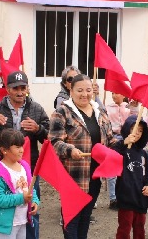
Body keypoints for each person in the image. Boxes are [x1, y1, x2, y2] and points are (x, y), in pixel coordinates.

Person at [0, 70, 48, 239]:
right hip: (4, 168)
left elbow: (50, 137)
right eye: (15, 88)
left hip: (28, 167)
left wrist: (38, 129)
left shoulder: (36, 109)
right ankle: (5, 230)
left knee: (31, 205)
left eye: (23, 87)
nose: (20, 92)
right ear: (7, 89)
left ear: (27, 88)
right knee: (7, 202)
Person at [48, 74, 117, 238]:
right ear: (71, 90)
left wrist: (123, 144)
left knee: (86, 218)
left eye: (88, 90)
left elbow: (110, 138)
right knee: (71, 221)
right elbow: (54, 141)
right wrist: (70, 150)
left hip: (94, 176)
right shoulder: (62, 112)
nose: (84, 94)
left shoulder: (99, 111)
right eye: (79, 90)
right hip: (73, 177)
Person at [0, 129, 39, 239]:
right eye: (17, 147)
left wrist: (34, 201)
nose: (21, 150)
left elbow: (30, 187)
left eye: (22, 146)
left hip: (22, 220)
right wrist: (22, 198)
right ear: (4, 150)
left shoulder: (24, 166)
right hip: (4, 224)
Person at [114, 115, 148, 239]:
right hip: (126, 198)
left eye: (140, 130)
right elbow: (110, 155)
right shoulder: (121, 150)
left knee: (140, 229)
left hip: (141, 199)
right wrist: (124, 143)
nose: (137, 133)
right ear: (127, 129)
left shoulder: (142, 153)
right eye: (133, 129)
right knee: (124, 229)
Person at [105, 92, 131, 210]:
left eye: (117, 93)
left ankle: (126, 197)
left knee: (127, 168)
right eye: (112, 93)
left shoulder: (129, 107)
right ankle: (113, 198)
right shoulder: (107, 108)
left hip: (127, 140)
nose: (114, 95)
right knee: (111, 169)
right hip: (113, 139)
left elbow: (135, 121)